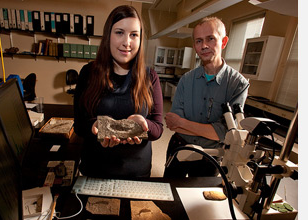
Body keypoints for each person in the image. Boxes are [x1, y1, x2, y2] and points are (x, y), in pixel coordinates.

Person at [73, 5, 163, 179]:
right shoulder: (88, 73)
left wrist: (144, 123)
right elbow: (79, 125)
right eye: (119, 32)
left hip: (136, 172)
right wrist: (95, 126)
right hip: (95, 169)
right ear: (108, 36)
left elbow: (158, 128)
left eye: (134, 35)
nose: (127, 42)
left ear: (140, 38)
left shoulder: (150, 76)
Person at [163, 17, 250, 178]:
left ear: (223, 42)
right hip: (179, 147)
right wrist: (208, 130)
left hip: (211, 156)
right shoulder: (186, 80)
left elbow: (225, 133)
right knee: (169, 195)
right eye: (198, 41)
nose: (204, 46)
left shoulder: (237, 84)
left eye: (210, 39)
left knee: (202, 199)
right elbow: (172, 125)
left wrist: (183, 123)